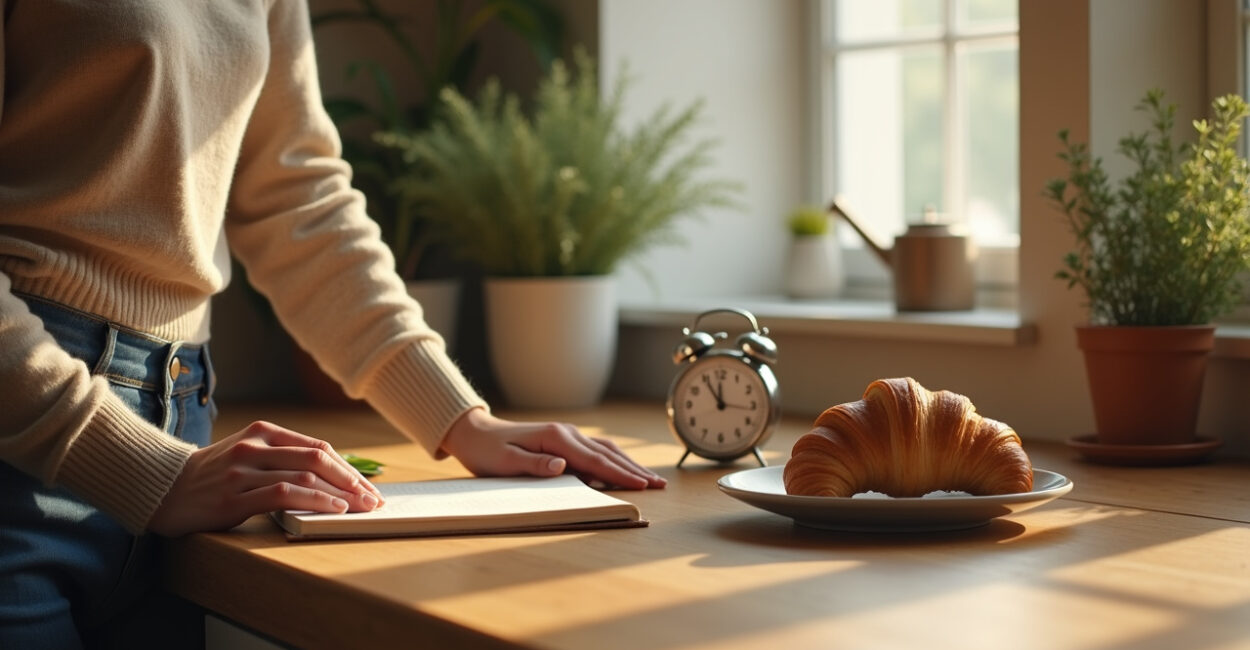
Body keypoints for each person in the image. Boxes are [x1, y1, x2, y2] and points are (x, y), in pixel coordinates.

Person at [0, 1, 666, 646]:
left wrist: (462, 419)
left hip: (187, 430)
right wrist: (140, 464)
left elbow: (300, 203)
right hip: (24, 434)